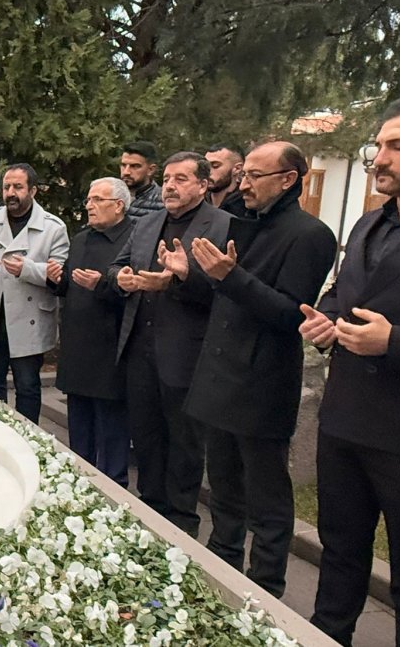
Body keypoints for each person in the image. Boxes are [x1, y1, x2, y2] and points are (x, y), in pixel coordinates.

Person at [300, 95, 400, 647]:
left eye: (398, 145)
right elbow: (344, 294)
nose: (380, 158)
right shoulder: (370, 222)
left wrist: (397, 341)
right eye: (379, 146)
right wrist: (326, 318)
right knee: (339, 554)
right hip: (345, 422)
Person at [185, 141, 338, 597]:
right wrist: (195, 275)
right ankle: (221, 568)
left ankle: (266, 584)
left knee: (266, 497)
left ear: (288, 180)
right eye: (242, 174)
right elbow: (224, 294)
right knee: (223, 488)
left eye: (254, 175)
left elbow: (292, 314)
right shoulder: (241, 222)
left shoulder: (310, 235)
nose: (242, 183)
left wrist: (230, 277)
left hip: (262, 382)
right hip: (220, 374)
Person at [109, 151, 231, 537]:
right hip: (140, 350)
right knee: (145, 436)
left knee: (184, 444)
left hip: (187, 354)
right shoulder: (146, 224)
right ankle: (151, 513)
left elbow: (227, 292)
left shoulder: (224, 226)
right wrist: (121, 278)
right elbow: (118, 264)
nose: (171, 186)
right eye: (167, 179)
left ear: (202, 184)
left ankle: (182, 523)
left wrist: (181, 278)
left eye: (181, 179)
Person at [46, 177, 134, 486]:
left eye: (97, 200)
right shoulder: (81, 239)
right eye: (88, 200)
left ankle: (113, 484)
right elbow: (70, 286)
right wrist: (57, 279)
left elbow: (135, 291)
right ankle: (80, 480)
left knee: (110, 423)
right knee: (79, 421)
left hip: (111, 345)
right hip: (78, 343)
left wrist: (103, 285)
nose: (89, 206)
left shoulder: (134, 237)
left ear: (118, 205)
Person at [0, 163, 69, 423]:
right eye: (7, 187)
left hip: (29, 317)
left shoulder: (53, 227)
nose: (11, 193)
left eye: (18, 187)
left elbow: (59, 274)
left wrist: (27, 269)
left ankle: (27, 440)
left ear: (32, 190)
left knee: (27, 386)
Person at [204, 143, 251, 218]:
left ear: (237, 168)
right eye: (205, 166)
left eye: (215, 166)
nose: (208, 171)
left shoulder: (248, 206)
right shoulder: (197, 203)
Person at [120, 141, 164, 219]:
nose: (126, 172)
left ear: (150, 170)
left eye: (135, 166)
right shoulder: (110, 196)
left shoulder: (163, 202)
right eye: (123, 165)